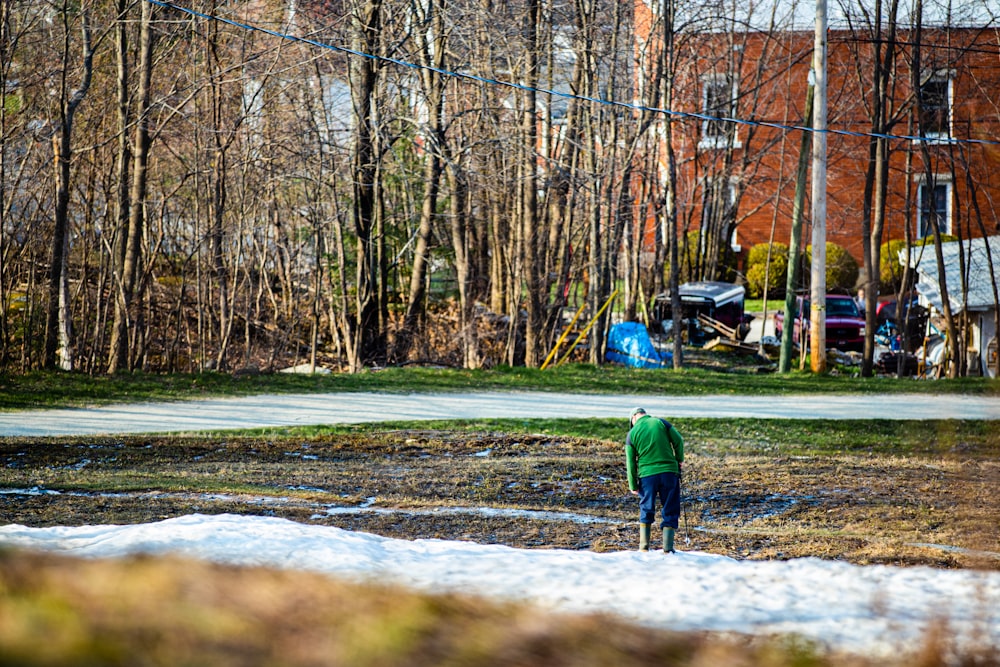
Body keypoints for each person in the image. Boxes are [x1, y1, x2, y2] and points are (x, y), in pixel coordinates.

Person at [625, 407, 684, 553]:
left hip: (647, 476)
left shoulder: (632, 434)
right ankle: (668, 549)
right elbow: (679, 440)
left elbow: (630, 462)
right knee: (670, 508)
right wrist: (679, 459)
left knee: (646, 508)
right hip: (669, 473)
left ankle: (644, 548)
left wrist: (633, 484)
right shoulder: (662, 423)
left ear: (633, 419)